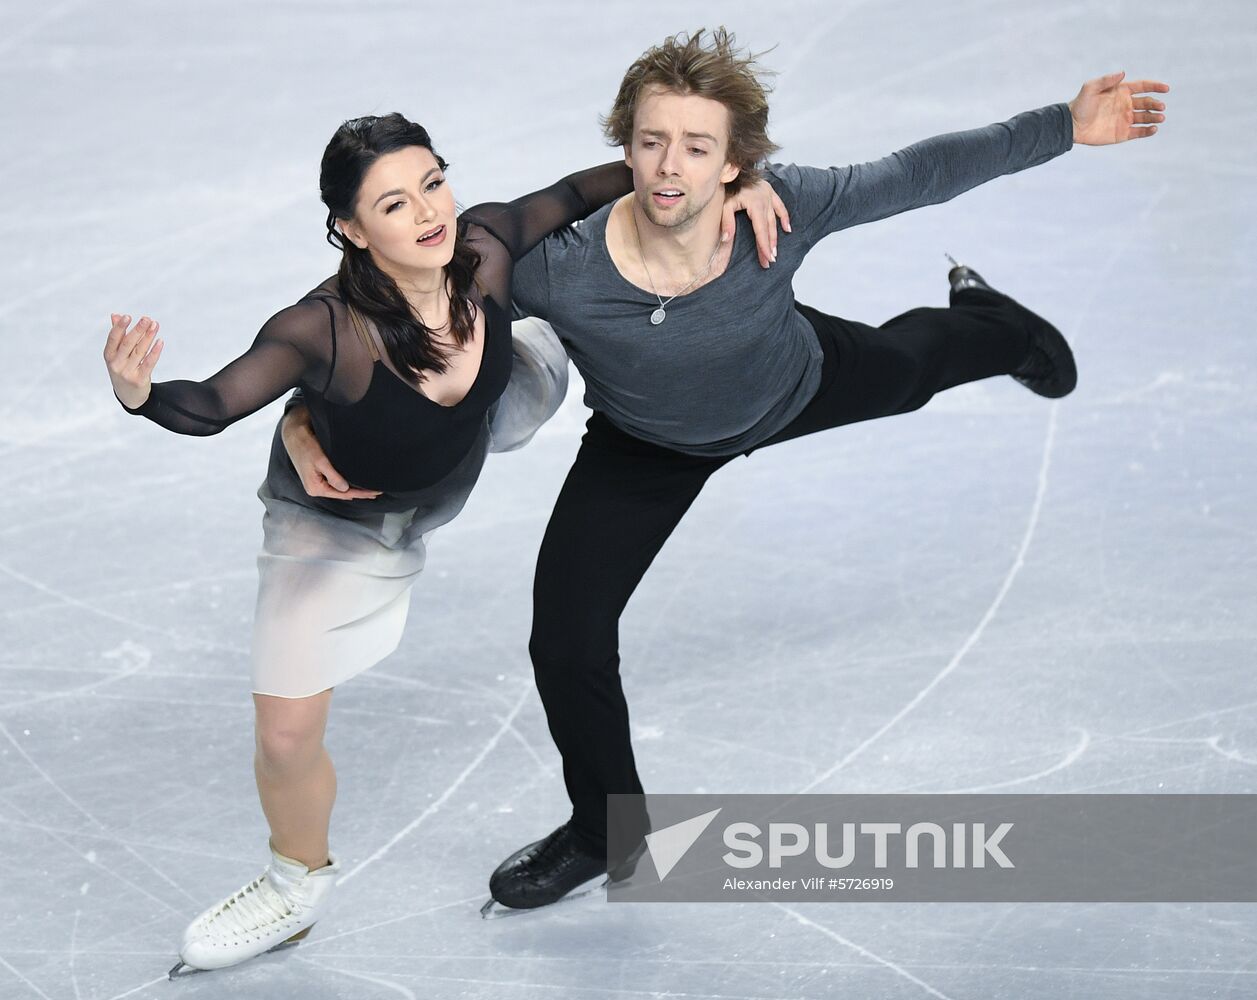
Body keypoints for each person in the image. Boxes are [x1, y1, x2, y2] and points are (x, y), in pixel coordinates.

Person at [279, 29, 1170, 912]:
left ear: (733, 159)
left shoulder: (781, 205)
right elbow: (392, 315)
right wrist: (301, 417)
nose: (670, 168)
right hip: (645, 447)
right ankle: (606, 830)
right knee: (566, 635)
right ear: (623, 144)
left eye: (698, 148)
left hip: (793, 383)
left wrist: (1064, 124)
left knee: (912, 368)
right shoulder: (557, 264)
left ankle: (997, 324)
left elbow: (920, 171)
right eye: (651, 142)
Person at [103, 111, 786, 973]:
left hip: (480, 418)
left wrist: (713, 178)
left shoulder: (484, 244)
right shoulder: (322, 329)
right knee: (283, 733)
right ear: (351, 229)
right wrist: (139, 393)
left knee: (545, 322)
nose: (427, 212)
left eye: (432, 182)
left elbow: (582, 190)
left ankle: (437, 409)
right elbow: (207, 404)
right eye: (392, 205)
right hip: (346, 513)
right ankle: (293, 885)